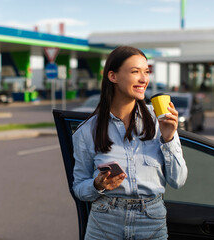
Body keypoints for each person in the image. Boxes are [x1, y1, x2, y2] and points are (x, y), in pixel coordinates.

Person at [72, 46, 188, 240]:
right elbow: (79, 189)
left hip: (151, 223)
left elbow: (178, 180)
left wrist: (168, 138)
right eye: (135, 72)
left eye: (146, 72)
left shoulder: (160, 120)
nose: (144, 79)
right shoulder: (87, 131)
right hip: (104, 223)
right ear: (113, 76)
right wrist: (97, 184)